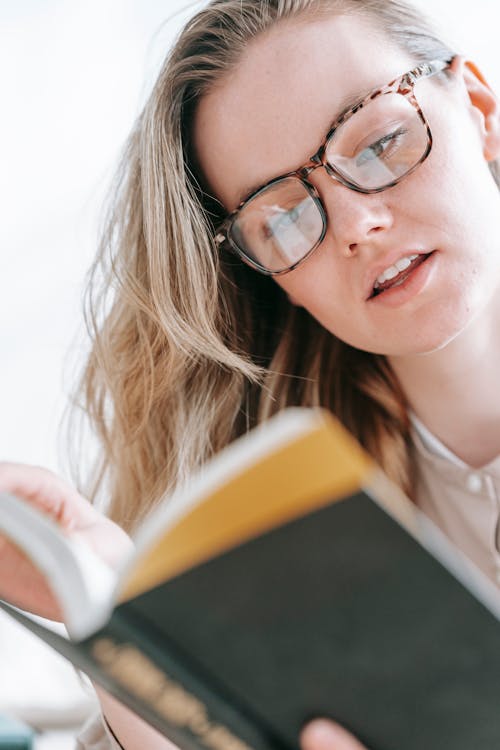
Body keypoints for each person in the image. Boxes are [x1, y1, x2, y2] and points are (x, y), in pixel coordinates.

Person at [2, 0, 500, 747]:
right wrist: (124, 620)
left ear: (481, 109)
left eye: (381, 143)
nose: (358, 227)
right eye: (285, 218)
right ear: (272, 276)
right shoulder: (276, 521)